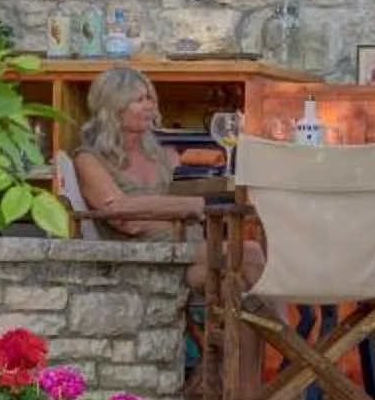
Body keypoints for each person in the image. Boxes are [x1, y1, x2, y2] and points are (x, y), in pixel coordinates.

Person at [68, 66, 260, 300]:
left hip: (189, 254)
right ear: (113, 107)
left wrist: (160, 208)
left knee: (234, 280)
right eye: (139, 100)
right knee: (249, 253)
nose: (149, 106)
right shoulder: (89, 159)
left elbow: (140, 208)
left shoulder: (165, 155)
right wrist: (190, 206)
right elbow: (124, 217)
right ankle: (283, 324)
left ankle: (268, 325)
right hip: (143, 261)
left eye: (150, 98)